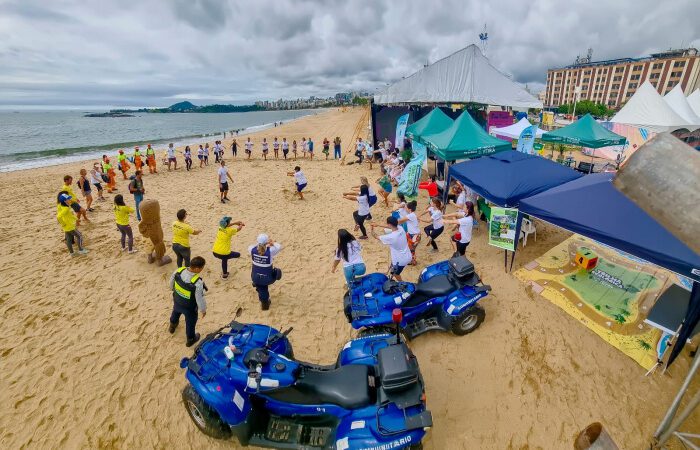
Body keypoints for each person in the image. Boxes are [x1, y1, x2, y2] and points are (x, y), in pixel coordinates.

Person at [168, 256, 207, 347]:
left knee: (175, 312)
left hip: (177, 300)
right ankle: (190, 339)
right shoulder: (197, 283)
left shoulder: (178, 271)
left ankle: (172, 326)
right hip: (189, 308)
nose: (202, 269)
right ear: (197, 268)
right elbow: (199, 298)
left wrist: (177, 292)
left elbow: (171, 284)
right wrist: (203, 310)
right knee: (190, 322)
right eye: (202, 268)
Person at [370, 216, 412, 282]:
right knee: (393, 264)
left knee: (395, 274)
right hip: (407, 255)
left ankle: (401, 283)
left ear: (389, 224)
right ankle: (387, 272)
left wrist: (371, 229)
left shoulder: (390, 237)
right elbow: (391, 226)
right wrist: (378, 225)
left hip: (400, 260)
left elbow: (375, 236)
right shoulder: (401, 228)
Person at [249, 234, 282, 310]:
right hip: (268, 278)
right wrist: (272, 243)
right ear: (266, 242)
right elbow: (279, 246)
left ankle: (258, 286)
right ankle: (265, 303)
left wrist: (262, 243)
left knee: (260, 285)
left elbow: (253, 246)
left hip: (255, 276)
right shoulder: (270, 251)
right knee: (275, 273)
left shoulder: (251, 249)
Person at [56, 192, 88, 256]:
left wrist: (76, 219)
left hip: (66, 227)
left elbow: (70, 215)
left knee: (68, 239)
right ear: (64, 201)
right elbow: (58, 216)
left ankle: (72, 253)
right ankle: (81, 250)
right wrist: (63, 223)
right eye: (68, 199)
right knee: (80, 236)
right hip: (70, 226)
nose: (69, 200)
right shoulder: (66, 208)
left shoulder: (62, 206)